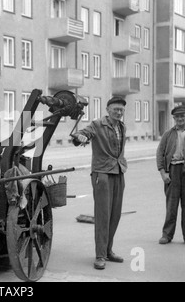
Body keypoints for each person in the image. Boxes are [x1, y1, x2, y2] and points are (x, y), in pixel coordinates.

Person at [75, 97, 127, 270]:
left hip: (119, 171)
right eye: (115, 109)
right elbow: (82, 134)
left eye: (121, 110)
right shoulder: (97, 124)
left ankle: (108, 251)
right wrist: (80, 137)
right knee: (103, 216)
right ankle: (99, 255)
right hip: (102, 174)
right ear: (107, 109)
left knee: (115, 215)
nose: (118, 112)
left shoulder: (122, 126)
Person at [156, 105, 185, 247]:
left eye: (183, 116)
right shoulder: (168, 135)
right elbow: (160, 154)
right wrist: (163, 173)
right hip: (172, 171)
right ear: (174, 118)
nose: (180, 119)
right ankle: (167, 234)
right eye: (177, 117)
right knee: (171, 205)